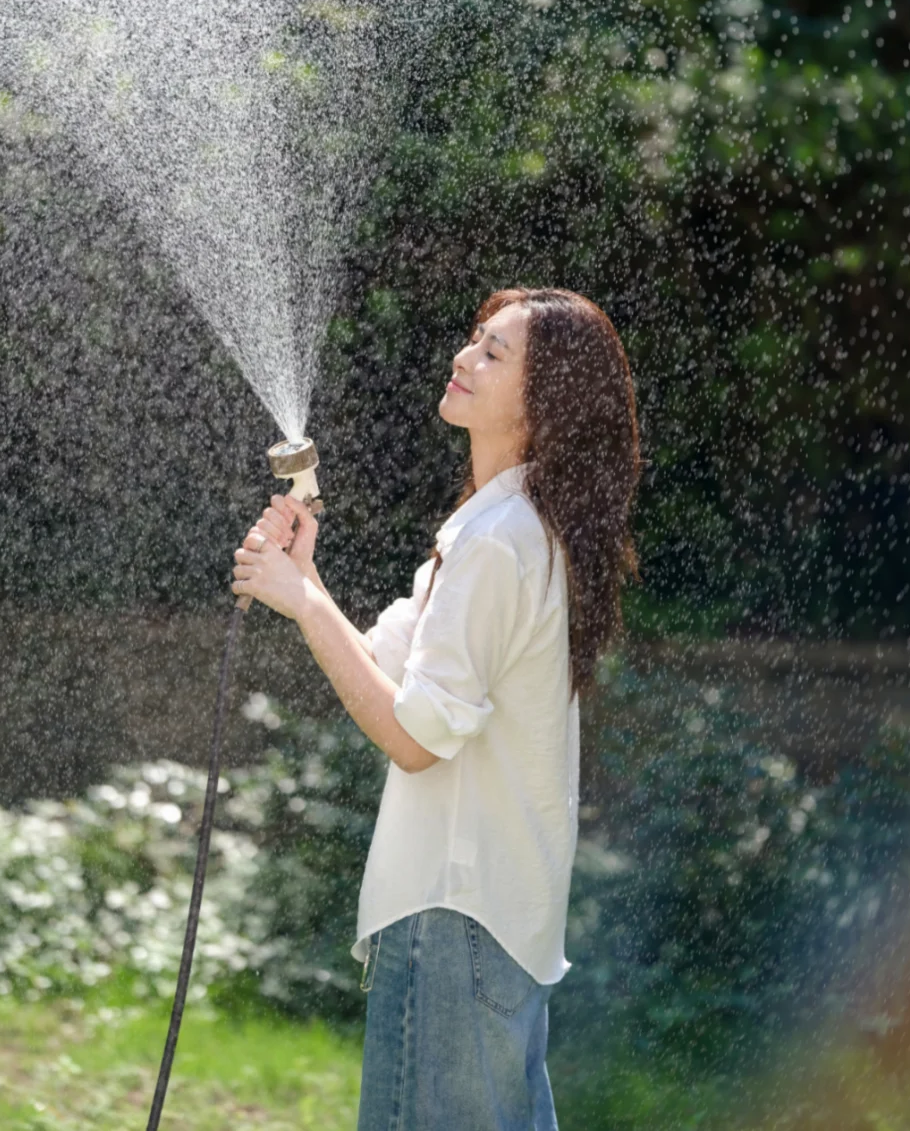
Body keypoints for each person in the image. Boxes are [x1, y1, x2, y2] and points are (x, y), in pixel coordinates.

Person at [231, 286, 642, 1131]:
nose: (465, 357)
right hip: (490, 922)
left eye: (495, 353)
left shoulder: (499, 543)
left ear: (545, 404)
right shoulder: (502, 527)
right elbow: (395, 668)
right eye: (473, 340)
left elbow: (416, 737)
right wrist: (307, 581)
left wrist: (304, 604)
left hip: (455, 925)